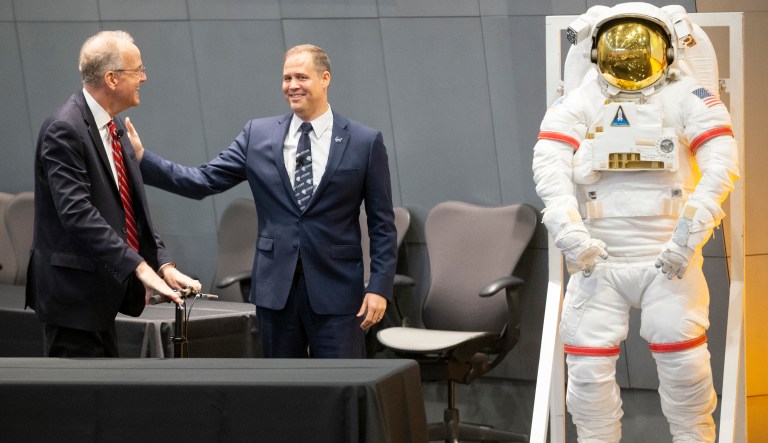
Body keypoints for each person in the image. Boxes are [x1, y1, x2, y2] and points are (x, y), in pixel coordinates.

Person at [532, 3, 739, 442]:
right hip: (596, 261)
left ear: (666, 49)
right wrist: (568, 231)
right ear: (594, 52)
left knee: (686, 374)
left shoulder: (687, 96)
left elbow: (721, 166)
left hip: (669, 259)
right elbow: (548, 165)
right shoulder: (584, 98)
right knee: (586, 378)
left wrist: (688, 236)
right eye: (617, 48)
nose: (628, 59)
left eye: (640, 47)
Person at [130, 44, 397, 359]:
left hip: (337, 294)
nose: (292, 86)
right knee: (282, 395)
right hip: (276, 294)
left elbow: (382, 225)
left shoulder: (364, 142)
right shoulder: (257, 135)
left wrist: (379, 287)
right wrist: (143, 160)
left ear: (325, 79)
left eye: (301, 77)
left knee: (342, 390)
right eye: (286, 78)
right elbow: (202, 180)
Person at [25, 30, 201, 358]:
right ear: (111, 78)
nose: (144, 78)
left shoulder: (115, 125)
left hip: (102, 296)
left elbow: (132, 209)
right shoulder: (64, 129)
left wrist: (162, 264)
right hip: (72, 299)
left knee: (103, 401)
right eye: (137, 71)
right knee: (77, 404)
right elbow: (78, 214)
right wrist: (138, 267)